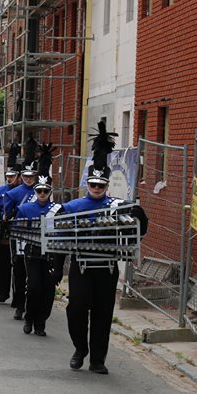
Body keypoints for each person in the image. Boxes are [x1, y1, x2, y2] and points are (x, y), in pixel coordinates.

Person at [62, 121, 147, 375]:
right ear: (88, 184)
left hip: (107, 266)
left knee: (102, 312)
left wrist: (139, 216)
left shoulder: (118, 205)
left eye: (101, 186)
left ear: (107, 185)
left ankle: (98, 359)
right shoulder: (73, 206)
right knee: (76, 308)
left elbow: (139, 229)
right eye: (93, 185)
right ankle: (80, 348)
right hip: (81, 264)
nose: (97, 189)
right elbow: (55, 231)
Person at [13, 160, 63, 337]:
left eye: (45, 191)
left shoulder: (58, 210)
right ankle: (29, 317)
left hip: (50, 255)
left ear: (50, 192)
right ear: (35, 192)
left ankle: (41, 323)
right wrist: (18, 254)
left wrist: (59, 267)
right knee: (33, 288)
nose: (42, 194)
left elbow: (62, 236)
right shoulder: (25, 209)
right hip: (32, 254)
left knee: (48, 292)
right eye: (39, 191)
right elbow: (17, 231)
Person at [2, 142, 39, 320]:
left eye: (32, 176)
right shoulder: (14, 192)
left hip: (37, 235)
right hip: (18, 234)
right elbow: (7, 215)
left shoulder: (43, 191)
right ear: (21, 176)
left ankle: (33, 305)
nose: (29, 179)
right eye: (26, 175)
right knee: (18, 270)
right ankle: (19, 304)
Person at [0, 147, 20, 304]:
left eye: (13, 176)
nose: (10, 179)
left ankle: (18, 296)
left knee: (19, 265)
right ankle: (3, 292)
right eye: (8, 176)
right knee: (3, 263)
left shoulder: (26, 192)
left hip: (20, 230)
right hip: (4, 230)